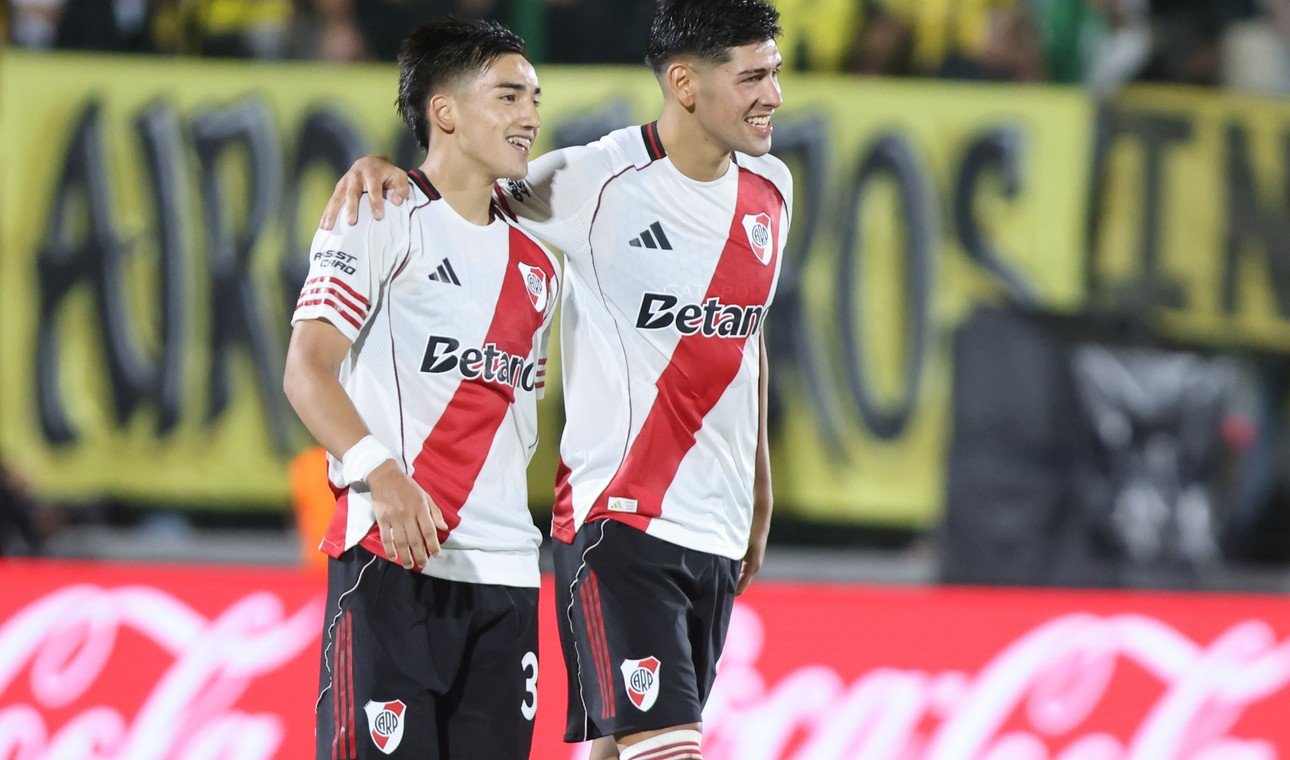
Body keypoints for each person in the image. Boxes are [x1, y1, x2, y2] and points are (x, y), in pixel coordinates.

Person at [321, 2, 789, 757]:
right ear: (685, 83)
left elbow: (748, 337)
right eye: (753, 77)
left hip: (705, 523)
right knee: (667, 746)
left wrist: (760, 490)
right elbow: (458, 189)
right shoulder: (589, 180)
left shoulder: (774, 188)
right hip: (619, 516)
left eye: (775, 73)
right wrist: (386, 170)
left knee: (623, 746)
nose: (774, 95)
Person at [283, 17, 557, 759]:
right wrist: (381, 474)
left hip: (507, 576)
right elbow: (306, 369)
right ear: (445, 111)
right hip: (392, 560)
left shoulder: (541, 260)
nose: (531, 115)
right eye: (508, 96)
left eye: (534, 97)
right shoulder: (378, 213)